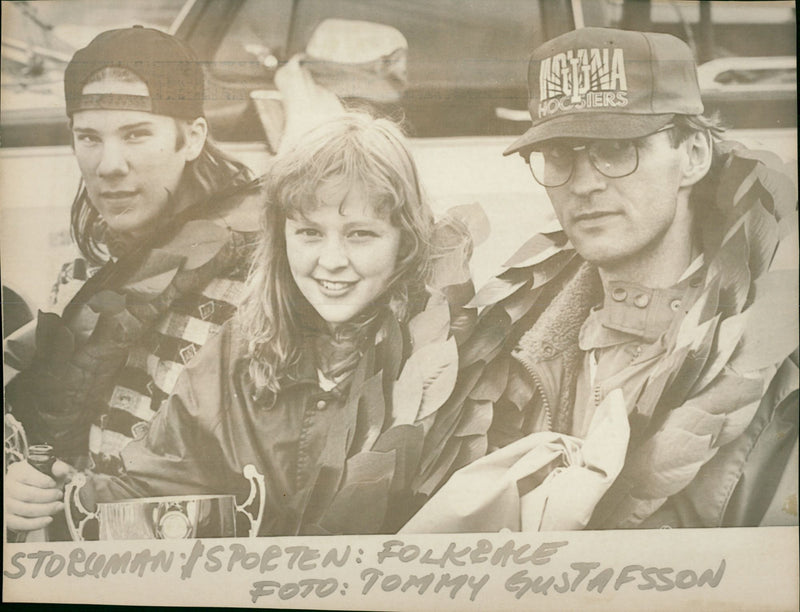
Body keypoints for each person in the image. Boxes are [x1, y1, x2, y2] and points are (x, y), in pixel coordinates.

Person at [5, 111, 488, 538]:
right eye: (310, 233)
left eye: (361, 234)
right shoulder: (240, 348)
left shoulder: (449, 350)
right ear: (281, 239)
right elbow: (149, 485)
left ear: (404, 241)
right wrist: (44, 501)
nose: (332, 261)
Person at [403, 27, 798, 532]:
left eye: (617, 149)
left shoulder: (778, 356)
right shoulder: (511, 347)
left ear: (694, 155)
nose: (584, 183)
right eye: (561, 155)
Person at [4, 26, 263, 477]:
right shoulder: (79, 275)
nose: (109, 165)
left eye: (136, 134)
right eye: (88, 137)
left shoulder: (257, 276)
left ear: (192, 139)